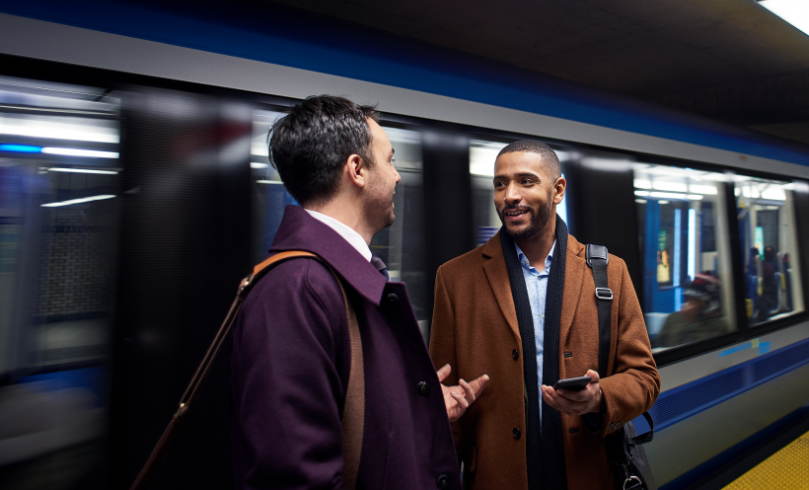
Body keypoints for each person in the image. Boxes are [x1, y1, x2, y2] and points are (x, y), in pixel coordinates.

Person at [231, 95, 488, 490]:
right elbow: (295, 478)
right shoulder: (297, 291)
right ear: (357, 170)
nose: (398, 175)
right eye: (390, 160)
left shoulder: (335, 278)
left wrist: (413, 404)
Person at [429, 140, 660, 490]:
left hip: (589, 476)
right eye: (500, 184)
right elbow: (443, 398)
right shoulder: (455, 279)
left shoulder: (609, 272)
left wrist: (599, 398)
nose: (509, 195)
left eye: (526, 181)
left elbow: (645, 378)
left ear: (558, 190)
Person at [656, 274, 729, 348]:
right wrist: (682, 320)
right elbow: (662, 345)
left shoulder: (717, 325)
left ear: (707, 302)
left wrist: (691, 323)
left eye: (696, 300)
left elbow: (705, 350)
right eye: (688, 298)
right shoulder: (673, 318)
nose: (690, 304)